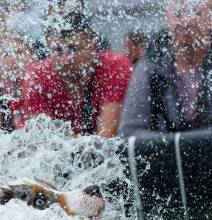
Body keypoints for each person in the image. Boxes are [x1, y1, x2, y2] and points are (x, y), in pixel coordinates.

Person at [19, 8, 132, 137]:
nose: (65, 58)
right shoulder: (39, 76)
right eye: (58, 50)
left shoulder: (115, 66)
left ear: (93, 47)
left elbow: (107, 137)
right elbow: (44, 139)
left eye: (74, 49)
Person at [119, 0, 212, 137]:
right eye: (178, 14)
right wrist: (173, 147)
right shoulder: (150, 66)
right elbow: (130, 131)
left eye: (196, 14)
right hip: (166, 155)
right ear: (167, 19)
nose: (186, 21)